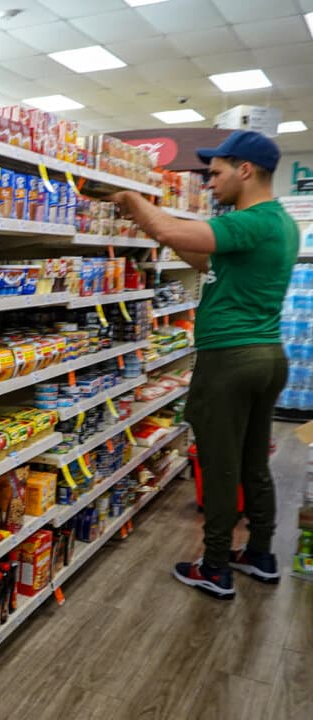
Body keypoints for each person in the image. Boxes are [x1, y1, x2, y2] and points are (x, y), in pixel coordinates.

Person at [110, 130, 298, 600]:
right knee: (254, 462)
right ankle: (260, 553)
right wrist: (163, 233)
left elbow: (171, 230)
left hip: (230, 359)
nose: (210, 183)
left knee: (218, 466)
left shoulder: (251, 220)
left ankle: (214, 565)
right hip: (267, 355)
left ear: (246, 170)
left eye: (216, 174)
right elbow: (204, 260)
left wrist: (135, 203)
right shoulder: (280, 222)